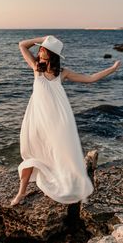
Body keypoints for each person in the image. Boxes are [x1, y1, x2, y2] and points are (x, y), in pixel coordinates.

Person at [10, 35, 121, 206]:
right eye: (40, 48)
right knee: (31, 154)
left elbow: (90, 78)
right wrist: (43, 39)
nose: (39, 51)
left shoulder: (63, 73)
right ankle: (21, 192)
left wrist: (112, 69)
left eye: (43, 49)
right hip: (36, 120)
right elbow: (22, 45)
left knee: (58, 155)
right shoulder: (36, 68)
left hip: (57, 122)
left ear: (51, 54)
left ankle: (59, 185)